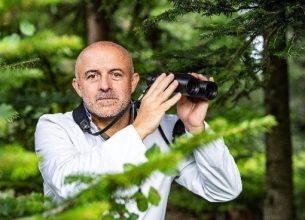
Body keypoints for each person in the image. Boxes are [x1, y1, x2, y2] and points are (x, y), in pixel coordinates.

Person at [35, 41, 242, 219]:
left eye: (116, 74)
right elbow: (69, 186)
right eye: (92, 76)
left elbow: (224, 190)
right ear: (78, 86)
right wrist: (140, 128)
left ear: (133, 82)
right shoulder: (55, 127)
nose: (105, 85)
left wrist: (196, 129)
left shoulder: (165, 130)